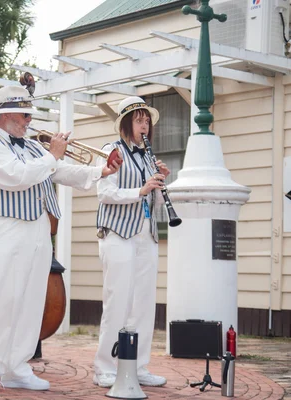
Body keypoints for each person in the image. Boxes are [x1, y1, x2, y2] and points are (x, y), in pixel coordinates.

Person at [0, 85, 121, 392]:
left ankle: (17, 366)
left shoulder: (31, 147)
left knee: (31, 300)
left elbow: (61, 171)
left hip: (38, 228)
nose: (28, 120)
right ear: (6, 114)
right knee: (5, 300)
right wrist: (52, 155)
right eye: (25, 114)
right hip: (6, 229)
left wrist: (100, 171)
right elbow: (17, 177)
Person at [93, 96, 169, 388]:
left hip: (146, 234)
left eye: (147, 120)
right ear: (127, 123)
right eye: (139, 120)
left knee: (144, 302)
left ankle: (139, 365)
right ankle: (105, 367)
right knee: (118, 300)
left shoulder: (148, 155)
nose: (145, 125)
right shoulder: (111, 150)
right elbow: (105, 192)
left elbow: (154, 198)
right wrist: (140, 190)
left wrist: (160, 182)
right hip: (117, 234)